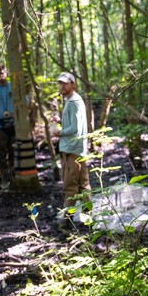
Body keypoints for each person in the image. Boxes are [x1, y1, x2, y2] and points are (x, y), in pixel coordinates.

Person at [51, 72, 91, 227]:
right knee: (83, 185)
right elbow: (76, 123)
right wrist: (61, 120)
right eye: (60, 83)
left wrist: (59, 132)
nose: (62, 86)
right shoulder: (75, 100)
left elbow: (75, 128)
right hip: (78, 149)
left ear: (73, 84)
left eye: (65, 83)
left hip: (72, 150)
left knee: (70, 186)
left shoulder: (73, 102)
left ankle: (66, 221)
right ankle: (88, 218)